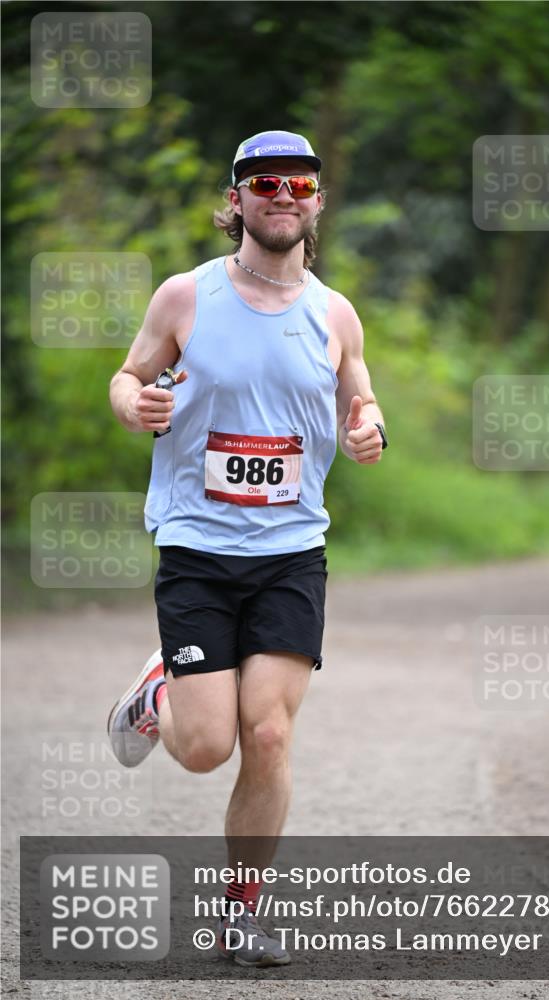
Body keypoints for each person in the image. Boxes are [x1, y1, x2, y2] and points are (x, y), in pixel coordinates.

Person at [106, 130, 387, 966]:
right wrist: (136, 408)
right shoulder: (185, 297)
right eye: (264, 183)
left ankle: (240, 912)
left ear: (317, 202)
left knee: (266, 736)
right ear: (236, 202)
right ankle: (161, 687)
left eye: (299, 183)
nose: (282, 195)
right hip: (196, 543)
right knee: (204, 749)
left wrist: (368, 424)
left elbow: (360, 393)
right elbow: (129, 377)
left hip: (291, 550)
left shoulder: (334, 313)